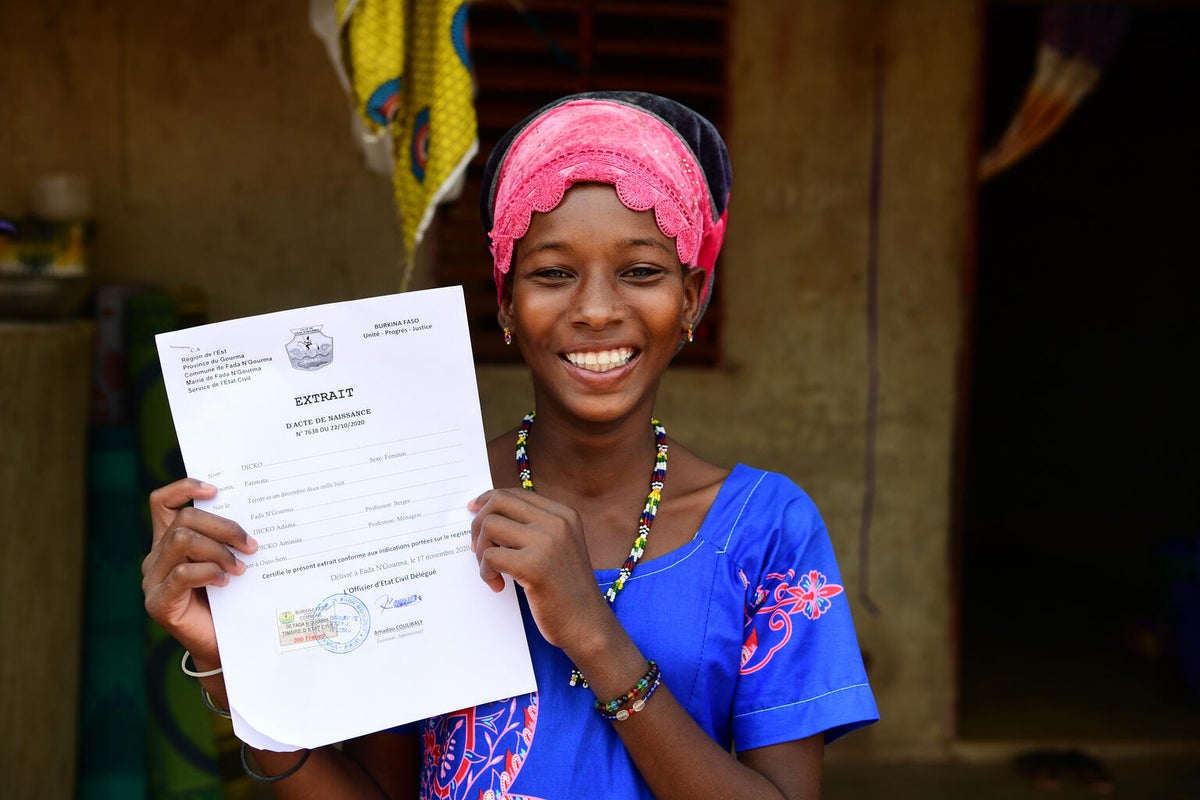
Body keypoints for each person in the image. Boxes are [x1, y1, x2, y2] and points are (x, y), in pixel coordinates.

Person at [142, 90, 879, 799]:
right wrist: (226, 663)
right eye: (553, 273)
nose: (595, 309)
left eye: (643, 271)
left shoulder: (767, 532)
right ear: (505, 303)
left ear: (691, 298)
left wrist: (597, 638)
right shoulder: (417, 504)